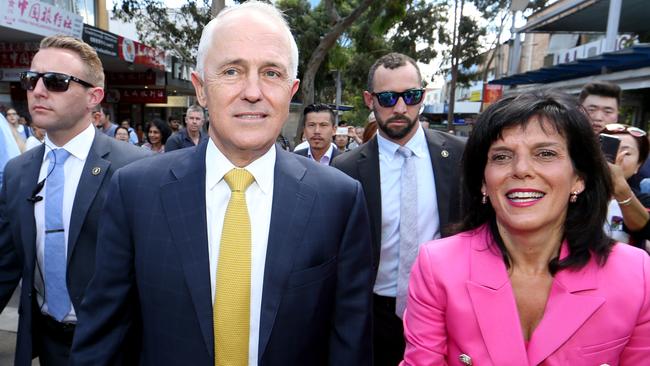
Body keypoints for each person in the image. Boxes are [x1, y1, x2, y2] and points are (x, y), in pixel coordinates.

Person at [69, 2, 373, 365]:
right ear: (200, 88)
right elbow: (103, 338)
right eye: (232, 70)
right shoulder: (135, 192)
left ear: (291, 90)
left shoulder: (339, 199)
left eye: (272, 73)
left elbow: (349, 344)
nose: (253, 91)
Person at [401, 91, 650, 365]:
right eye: (502, 156)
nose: (521, 169)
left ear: (579, 178)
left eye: (545, 153)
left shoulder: (635, 275)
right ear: (483, 181)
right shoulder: (438, 266)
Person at [0, 35, 150, 366]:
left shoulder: (136, 169)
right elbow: (6, 264)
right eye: (31, 79)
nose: (38, 91)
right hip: (48, 343)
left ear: (94, 97)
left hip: (119, 347)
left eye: (56, 82)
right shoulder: (18, 173)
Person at [332, 52, 465, 366]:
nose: (401, 108)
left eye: (412, 96)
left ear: (422, 95)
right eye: (388, 98)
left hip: (445, 310)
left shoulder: (459, 155)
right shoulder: (346, 168)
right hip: (374, 314)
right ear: (370, 100)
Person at [599, 123, 650, 251]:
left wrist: (620, 189)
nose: (617, 157)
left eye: (626, 153)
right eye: (611, 148)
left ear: (638, 165)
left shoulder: (644, 201)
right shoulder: (574, 193)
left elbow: (644, 228)